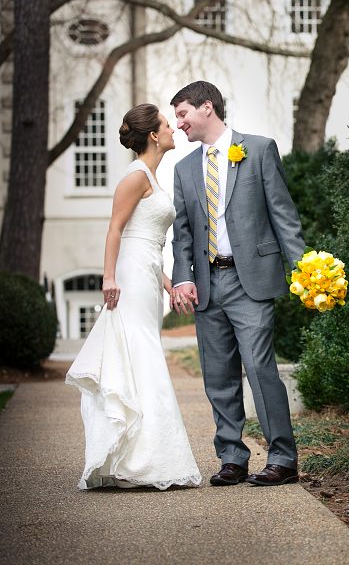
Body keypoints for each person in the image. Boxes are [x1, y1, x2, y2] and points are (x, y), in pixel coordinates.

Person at [169, 81, 305, 486]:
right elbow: (183, 234)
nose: (178, 125)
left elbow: (283, 215)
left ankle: (282, 457)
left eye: (182, 114)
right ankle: (232, 457)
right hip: (208, 285)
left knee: (260, 368)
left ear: (206, 107)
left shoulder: (259, 150)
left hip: (252, 283)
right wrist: (182, 279)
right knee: (218, 375)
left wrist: (304, 271)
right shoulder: (183, 169)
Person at [66, 104, 202, 490]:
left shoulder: (152, 177)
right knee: (140, 353)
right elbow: (116, 231)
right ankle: (146, 459)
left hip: (146, 274)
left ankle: (139, 456)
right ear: (154, 135)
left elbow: (147, 244)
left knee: (143, 353)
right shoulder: (135, 175)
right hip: (128, 277)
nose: (174, 128)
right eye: (167, 125)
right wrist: (108, 277)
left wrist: (169, 284)